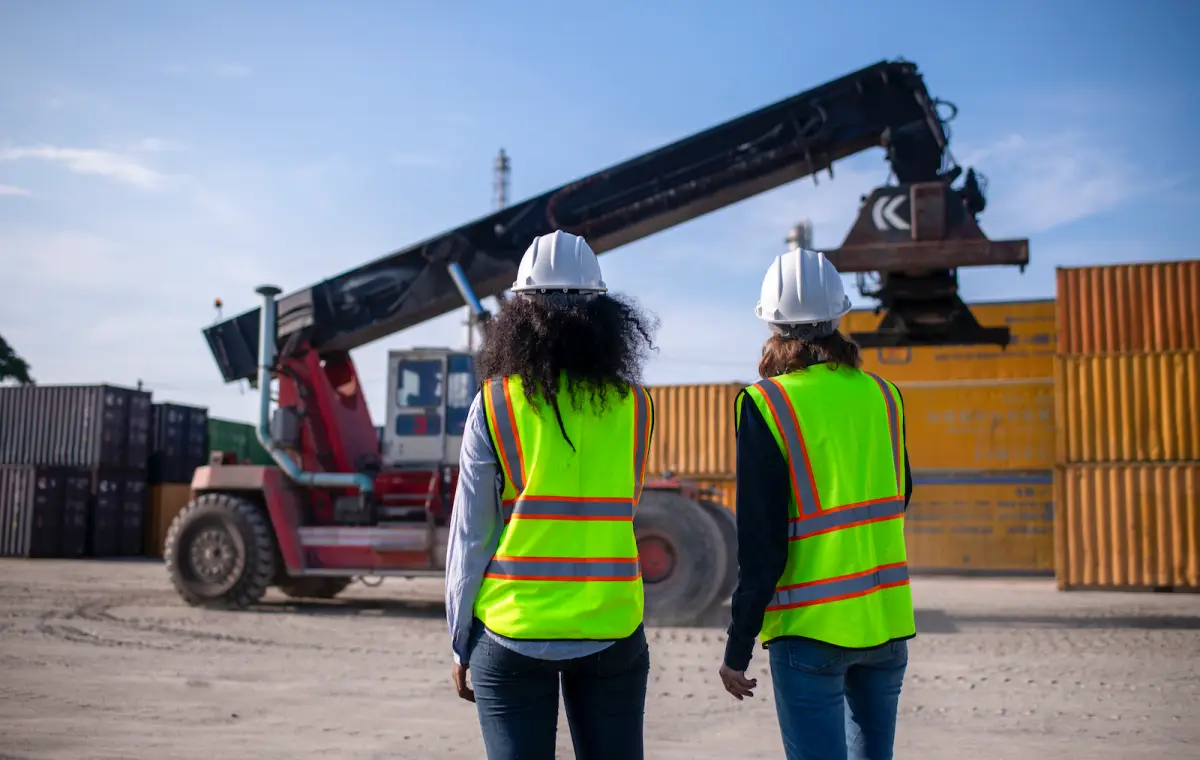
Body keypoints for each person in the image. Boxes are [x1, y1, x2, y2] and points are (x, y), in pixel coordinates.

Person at [444, 230, 659, 760]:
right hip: (612, 625)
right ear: (605, 315)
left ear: (520, 313)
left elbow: (471, 536)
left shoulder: (494, 404)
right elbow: (624, 506)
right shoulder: (637, 406)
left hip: (513, 629)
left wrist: (460, 641)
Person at [718, 247, 916, 760]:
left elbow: (761, 544)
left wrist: (738, 647)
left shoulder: (767, 402)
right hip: (885, 622)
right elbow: (901, 495)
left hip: (809, 632)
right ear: (838, 318)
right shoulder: (884, 395)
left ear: (772, 325)